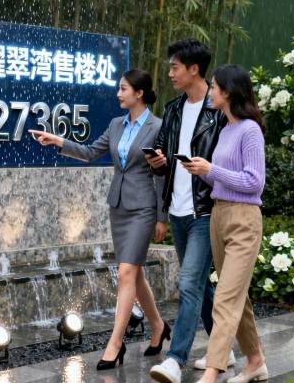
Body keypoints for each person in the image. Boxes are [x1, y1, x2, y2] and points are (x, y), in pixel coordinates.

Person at [28, 68, 171, 371]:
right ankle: (158, 326)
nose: (118, 94)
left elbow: (162, 174)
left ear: (139, 93)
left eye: (123, 89)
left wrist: (162, 216)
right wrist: (58, 141)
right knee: (134, 274)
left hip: (144, 208)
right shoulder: (116, 124)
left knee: (126, 272)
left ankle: (115, 343)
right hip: (118, 207)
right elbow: (91, 152)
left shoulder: (158, 127)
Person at [146, 39, 230, 383]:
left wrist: (209, 169)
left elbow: (229, 161)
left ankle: (175, 359)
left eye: (174, 67)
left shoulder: (219, 111)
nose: (169, 73)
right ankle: (224, 349)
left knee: (188, 283)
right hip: (178, 210)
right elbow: (162, 153)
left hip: (206, 210)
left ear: (194, 69)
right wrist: (157, 161)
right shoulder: (173, 108)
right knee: (200, 285)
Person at [182, 64, 267, 383]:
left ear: (228, 92)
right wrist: (202, 171)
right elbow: (224, 177)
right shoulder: (226, 129)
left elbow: (254, 182)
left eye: (215, 86)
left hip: (244, 219)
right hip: (219, 217)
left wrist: (212, 170)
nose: (211, 91)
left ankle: (212, 372)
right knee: (237, 298)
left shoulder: (250, 130)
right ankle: (255, 361)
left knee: (225, 298)